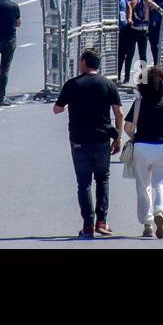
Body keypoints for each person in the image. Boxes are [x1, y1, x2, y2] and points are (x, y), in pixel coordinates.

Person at [54, 48, 124, 237]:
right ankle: (102, 221)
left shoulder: (72, 84)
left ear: (84, 62)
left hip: (78, 139)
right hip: (102, 138)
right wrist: (118, 137)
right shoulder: (108, 84)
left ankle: (87, 224)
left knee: (83, 183)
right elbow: (119, 113)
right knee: (103, 179)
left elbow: (57, 109)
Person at [124, 65, 163, 239]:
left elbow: (128, 127)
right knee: (162, 183)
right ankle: (160, 210)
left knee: (143, 185)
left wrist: (132, 133)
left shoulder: (139, 103)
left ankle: (147, 223)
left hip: (142, 147)